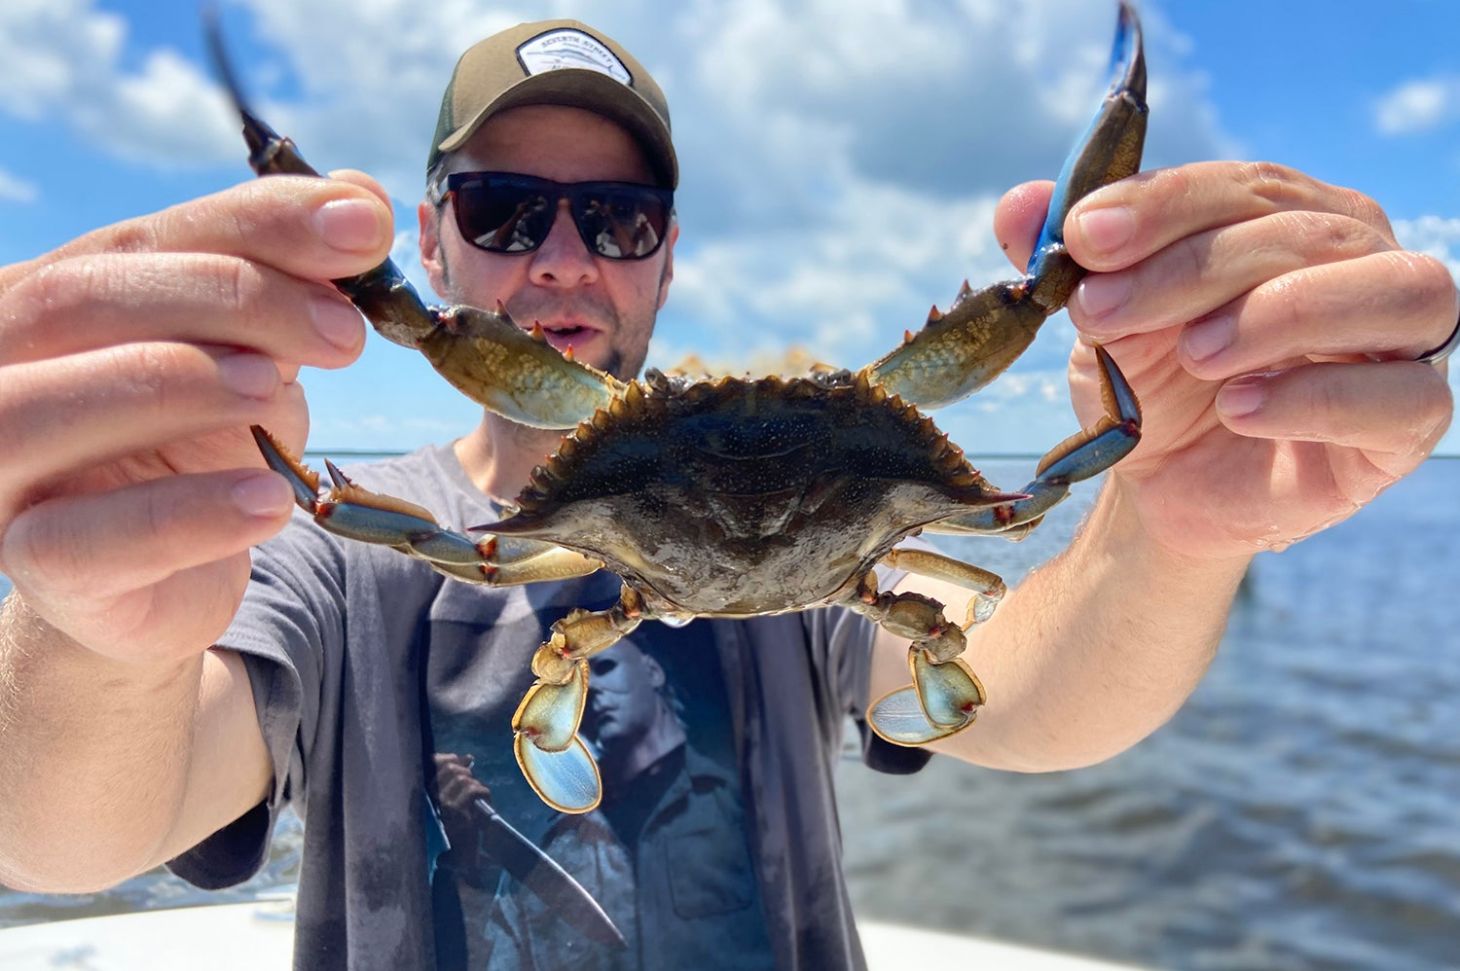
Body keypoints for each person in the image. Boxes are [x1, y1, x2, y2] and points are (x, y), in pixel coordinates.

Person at [0, 14, 1453, 971]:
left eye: (616, 218)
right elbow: (69, 835)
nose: (562, 257)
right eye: (506, 210)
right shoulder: (346, 560)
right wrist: (97, 633)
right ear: (425, 246)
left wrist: (1177, 525)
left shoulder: (833, 600)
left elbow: (1012, 692)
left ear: (667, 253)